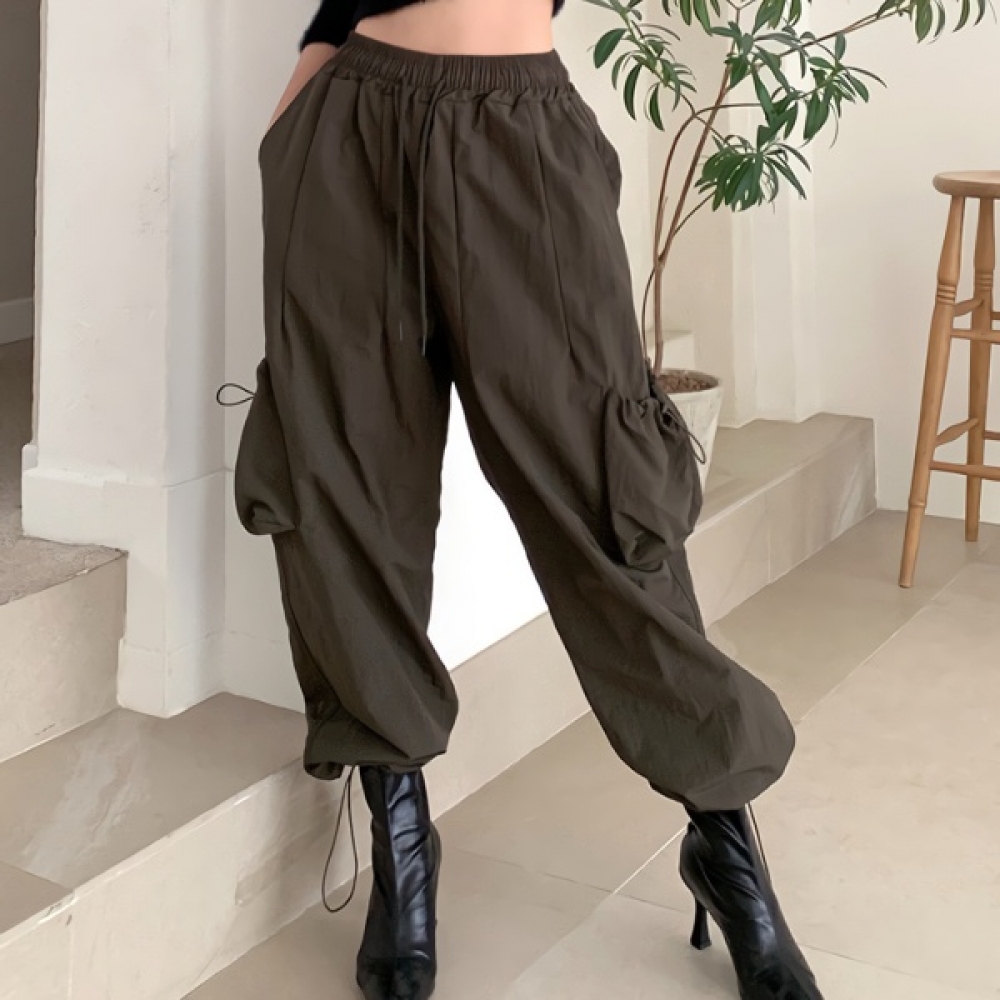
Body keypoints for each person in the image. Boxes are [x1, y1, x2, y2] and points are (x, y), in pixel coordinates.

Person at [228, 2, 825, 998]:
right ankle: (401, 840)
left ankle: (725, 846)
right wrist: (302, 97)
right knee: (340, 486)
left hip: (520, 126)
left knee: (606, 489)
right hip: (350, 124)